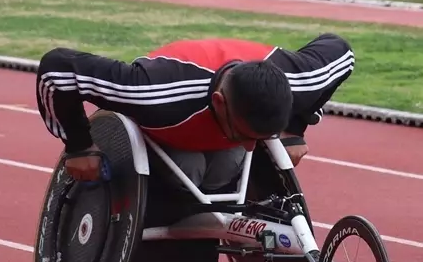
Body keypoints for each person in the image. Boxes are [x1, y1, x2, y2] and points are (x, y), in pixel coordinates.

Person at [34, 32, 355, 192]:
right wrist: (78, 146)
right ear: (218, 102)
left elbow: (341, 51)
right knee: (193, 171)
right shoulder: (151, 92)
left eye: (258, 137)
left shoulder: (299, 80)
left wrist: (296, 126)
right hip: (170, 124)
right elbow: (57, 69)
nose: (249, 146)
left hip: (216, 118)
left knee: (229, 165)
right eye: (242, 134)